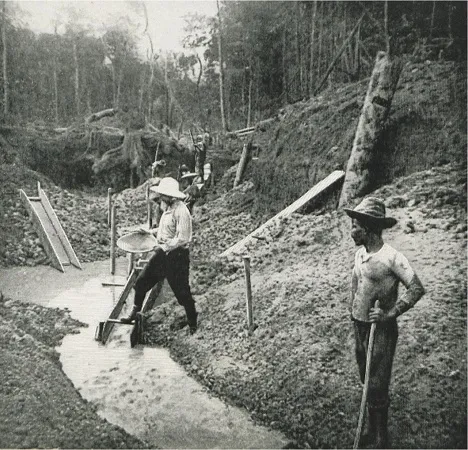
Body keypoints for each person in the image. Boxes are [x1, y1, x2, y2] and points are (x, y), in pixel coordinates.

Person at [344, 197, 425, 449]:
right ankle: (369, 427)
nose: (352, 231)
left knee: (377, 381)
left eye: (356, 226)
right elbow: (357, 282)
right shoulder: (360, 254)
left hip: (381, 329)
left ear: (368, 228)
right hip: (360, 325)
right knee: (365, 379)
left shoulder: (392, 257)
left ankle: (381, 436)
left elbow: (416, 288)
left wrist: (390, 313)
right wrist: (353, 308)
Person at [121, 177, 198, 334]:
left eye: (163, 195)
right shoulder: (167, 210)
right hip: (163, 253)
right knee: (141, 282)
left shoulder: (182, 211)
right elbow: (164, 231)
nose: (160, 198)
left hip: (177, 256)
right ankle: (134, 314)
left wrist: (162, 246)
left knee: (182, 293)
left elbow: (183, 238)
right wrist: (149, 232)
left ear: (171, 196)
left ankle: (192, 322)